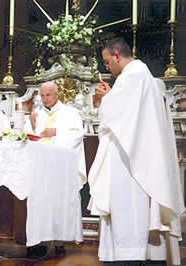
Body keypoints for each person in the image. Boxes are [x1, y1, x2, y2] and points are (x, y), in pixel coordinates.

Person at [88, 37, 185, 265]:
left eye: (107, 61)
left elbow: (115, 116)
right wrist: (112, 95)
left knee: (128, 210)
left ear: (117, 55)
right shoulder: (141, 75)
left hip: (129, 160)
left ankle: (128, 256)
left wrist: (105, 98)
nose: (107, 67)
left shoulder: (132, 75)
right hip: (137, 154)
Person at [24, 81, 86, 258]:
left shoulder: (70, 113)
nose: (45, 99)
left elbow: (77, 134)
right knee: (40, 203)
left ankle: (60, 242)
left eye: (48, 95)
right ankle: (40, 241)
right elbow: (29, 136)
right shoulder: (37, 114)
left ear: (57, 94)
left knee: (60, 202)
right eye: (42, 95)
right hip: (41, 165)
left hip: (61, 166)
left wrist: (56, 132)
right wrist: (31, 125)